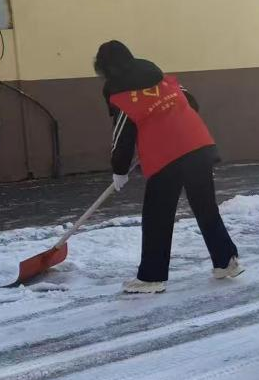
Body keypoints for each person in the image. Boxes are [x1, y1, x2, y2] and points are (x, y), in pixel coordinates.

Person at [96, 40, 242, 295]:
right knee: (205, 207)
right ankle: (226, 261)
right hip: (198, 145)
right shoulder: (161, 78)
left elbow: (122, 136)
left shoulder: (120, 93)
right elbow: (192, 103)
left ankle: (152, 277)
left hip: (167, 155)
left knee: (157, 215)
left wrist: (119, 169)